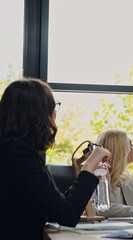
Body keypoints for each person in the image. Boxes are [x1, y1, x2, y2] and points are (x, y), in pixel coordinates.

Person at [0, 79, 111, 240]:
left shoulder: (11, 151)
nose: (55, 113)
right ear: (37, 114)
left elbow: (53, 209)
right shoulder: (20, 155)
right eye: (53, 106)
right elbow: (67, 215)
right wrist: (89, 167)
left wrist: (89, 174)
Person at [95, 129, 133, 217]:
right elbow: (101, 209)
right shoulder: (96, 178)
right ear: (120, 150)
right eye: (130, 144)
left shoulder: (131, 180)